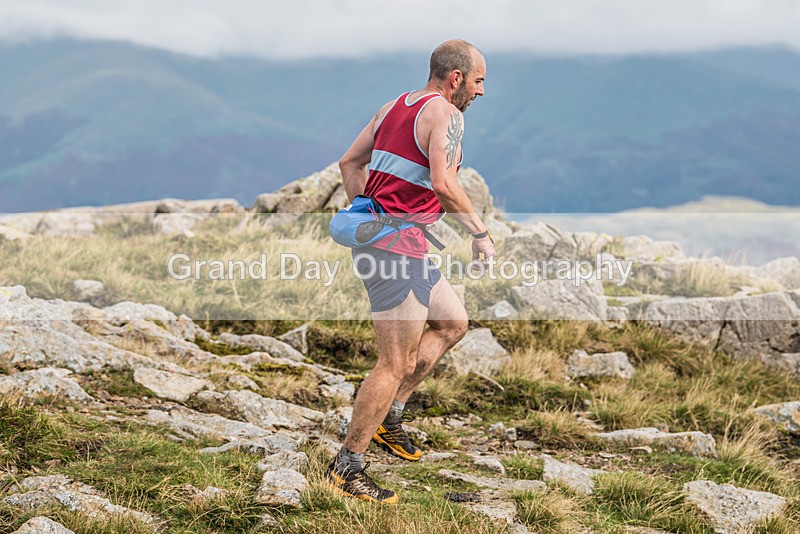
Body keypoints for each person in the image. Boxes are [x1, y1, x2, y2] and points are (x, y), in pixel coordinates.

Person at [327, 39, 495, 504]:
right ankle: (346, 467)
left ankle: (390, 417)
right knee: (395, 362)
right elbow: (444, 183)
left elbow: (349, 162)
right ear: (456, 78)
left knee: (452, 323)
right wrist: (480, 234)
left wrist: (369, 215)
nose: (481, 91)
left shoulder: (392, 107)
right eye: (479, 81)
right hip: (395, 251)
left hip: (401, 245)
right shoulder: (447, 114)